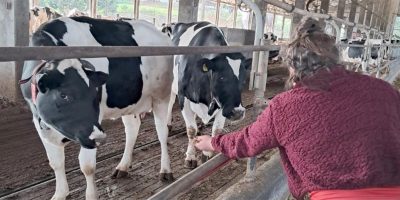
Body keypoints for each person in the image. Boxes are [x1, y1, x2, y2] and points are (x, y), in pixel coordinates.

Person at [194, 17, 400, 200]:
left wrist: (213, 142)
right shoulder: (383, 89)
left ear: (293, 66)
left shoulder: (285, 106)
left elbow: (247, 142)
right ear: (337, 58)